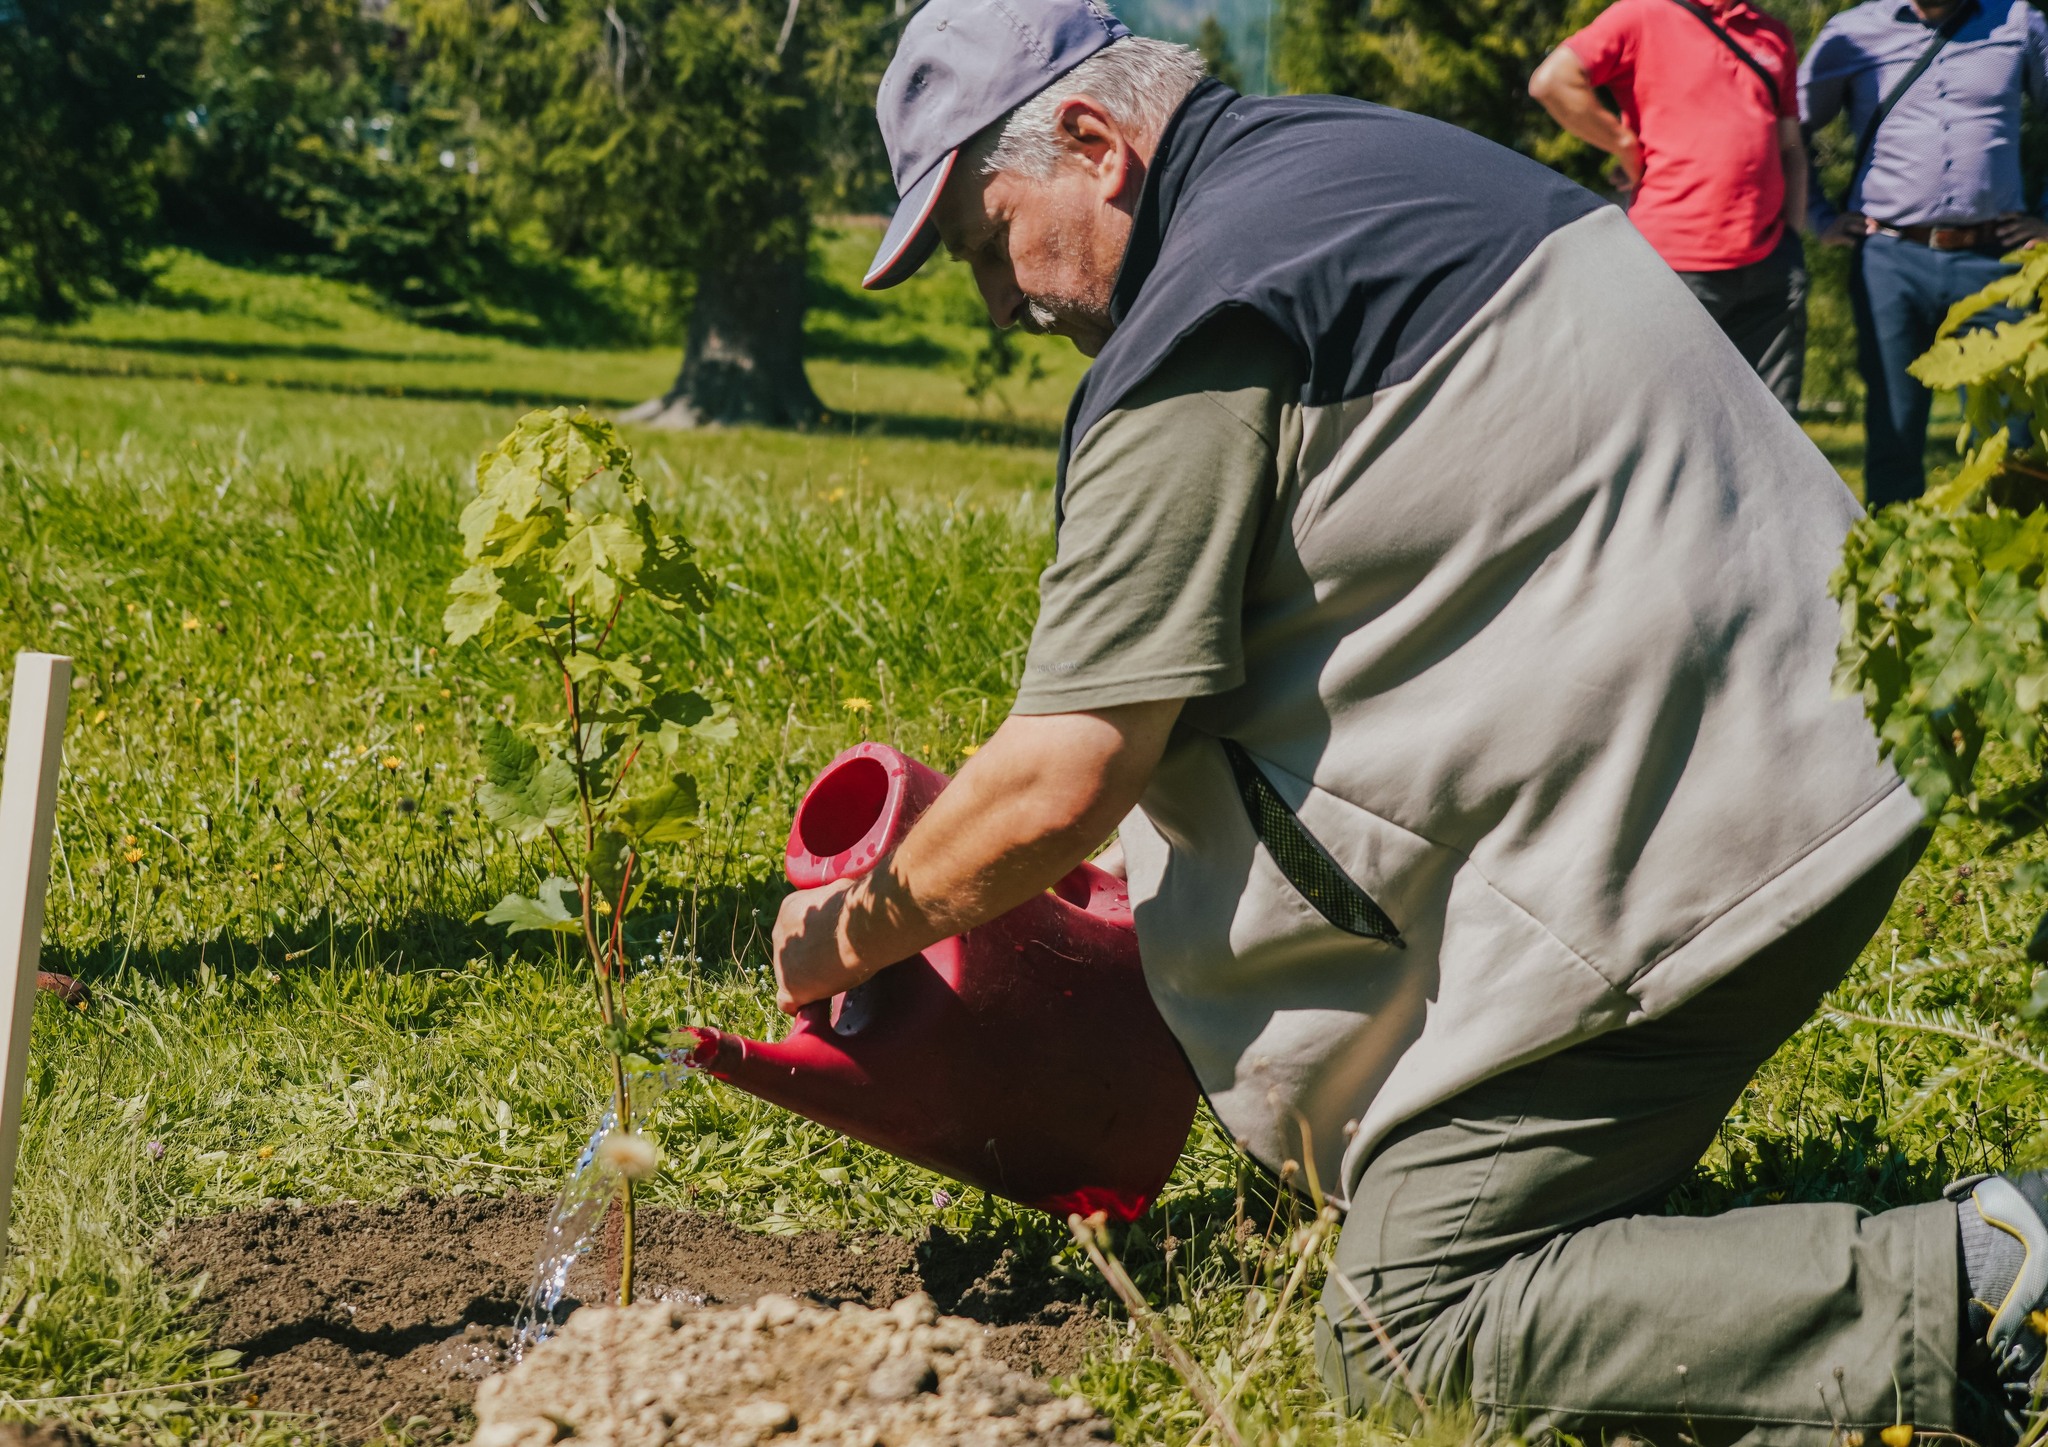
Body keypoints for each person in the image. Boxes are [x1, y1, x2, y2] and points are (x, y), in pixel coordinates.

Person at [772, 0, 2048, 1437]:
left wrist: (842, 930)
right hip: (1819, 737)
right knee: (1381, 1184)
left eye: (982, 236)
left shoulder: (1201, 319)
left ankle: (1983, 1284)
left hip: (1731, 847)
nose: (997, 299)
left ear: (1091, 141)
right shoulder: (1356, 165)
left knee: (1406, 1324)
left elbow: (1067, 773)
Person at [1802, 0, 2048, 506]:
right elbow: (1787, 127)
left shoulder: (2020, 23)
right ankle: (1894, 574)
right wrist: (1819, 218)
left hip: (1995, 264)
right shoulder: (1851, 33)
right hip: (1890, 261)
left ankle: (2006, 571)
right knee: (1893, 426)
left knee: (2011, 435)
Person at [1529, 0, 1809, 413]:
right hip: (1676, 263)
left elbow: (1790, 148)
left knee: (1774, 426)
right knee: (1670, 416)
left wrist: (1793, 240)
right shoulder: (1642, 13)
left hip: (1771, 266)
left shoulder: (1773, 34)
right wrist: (1623, 144)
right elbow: (1552, 81)